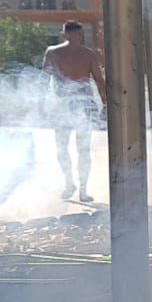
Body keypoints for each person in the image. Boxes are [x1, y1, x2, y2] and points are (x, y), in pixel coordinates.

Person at [43, 21, 105, 201]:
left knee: (64, 147)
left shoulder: (53, 52)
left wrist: (41, 103)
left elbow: (44, 79)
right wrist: (105, 103)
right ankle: (81, 189)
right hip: (80, 104)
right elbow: (99, 80)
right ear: (80, 35)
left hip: (65, 104)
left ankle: (72, 184)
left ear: (64, 35)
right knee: (80, 148)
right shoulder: (87, 54)